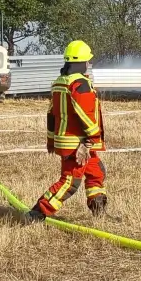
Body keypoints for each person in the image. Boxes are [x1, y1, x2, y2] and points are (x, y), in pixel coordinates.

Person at [27, 40, 108, 221]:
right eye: (87, 61)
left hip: (67, 141)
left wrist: (50, 141)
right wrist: (89, 141)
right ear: (81, 62)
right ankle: (37, 213)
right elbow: (86, 115)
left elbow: (51, 114)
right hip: (78, 143)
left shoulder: (60, 83)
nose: (89, 64)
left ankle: (99, 211)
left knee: (96, 173)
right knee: (70, 182)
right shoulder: (80, 84)